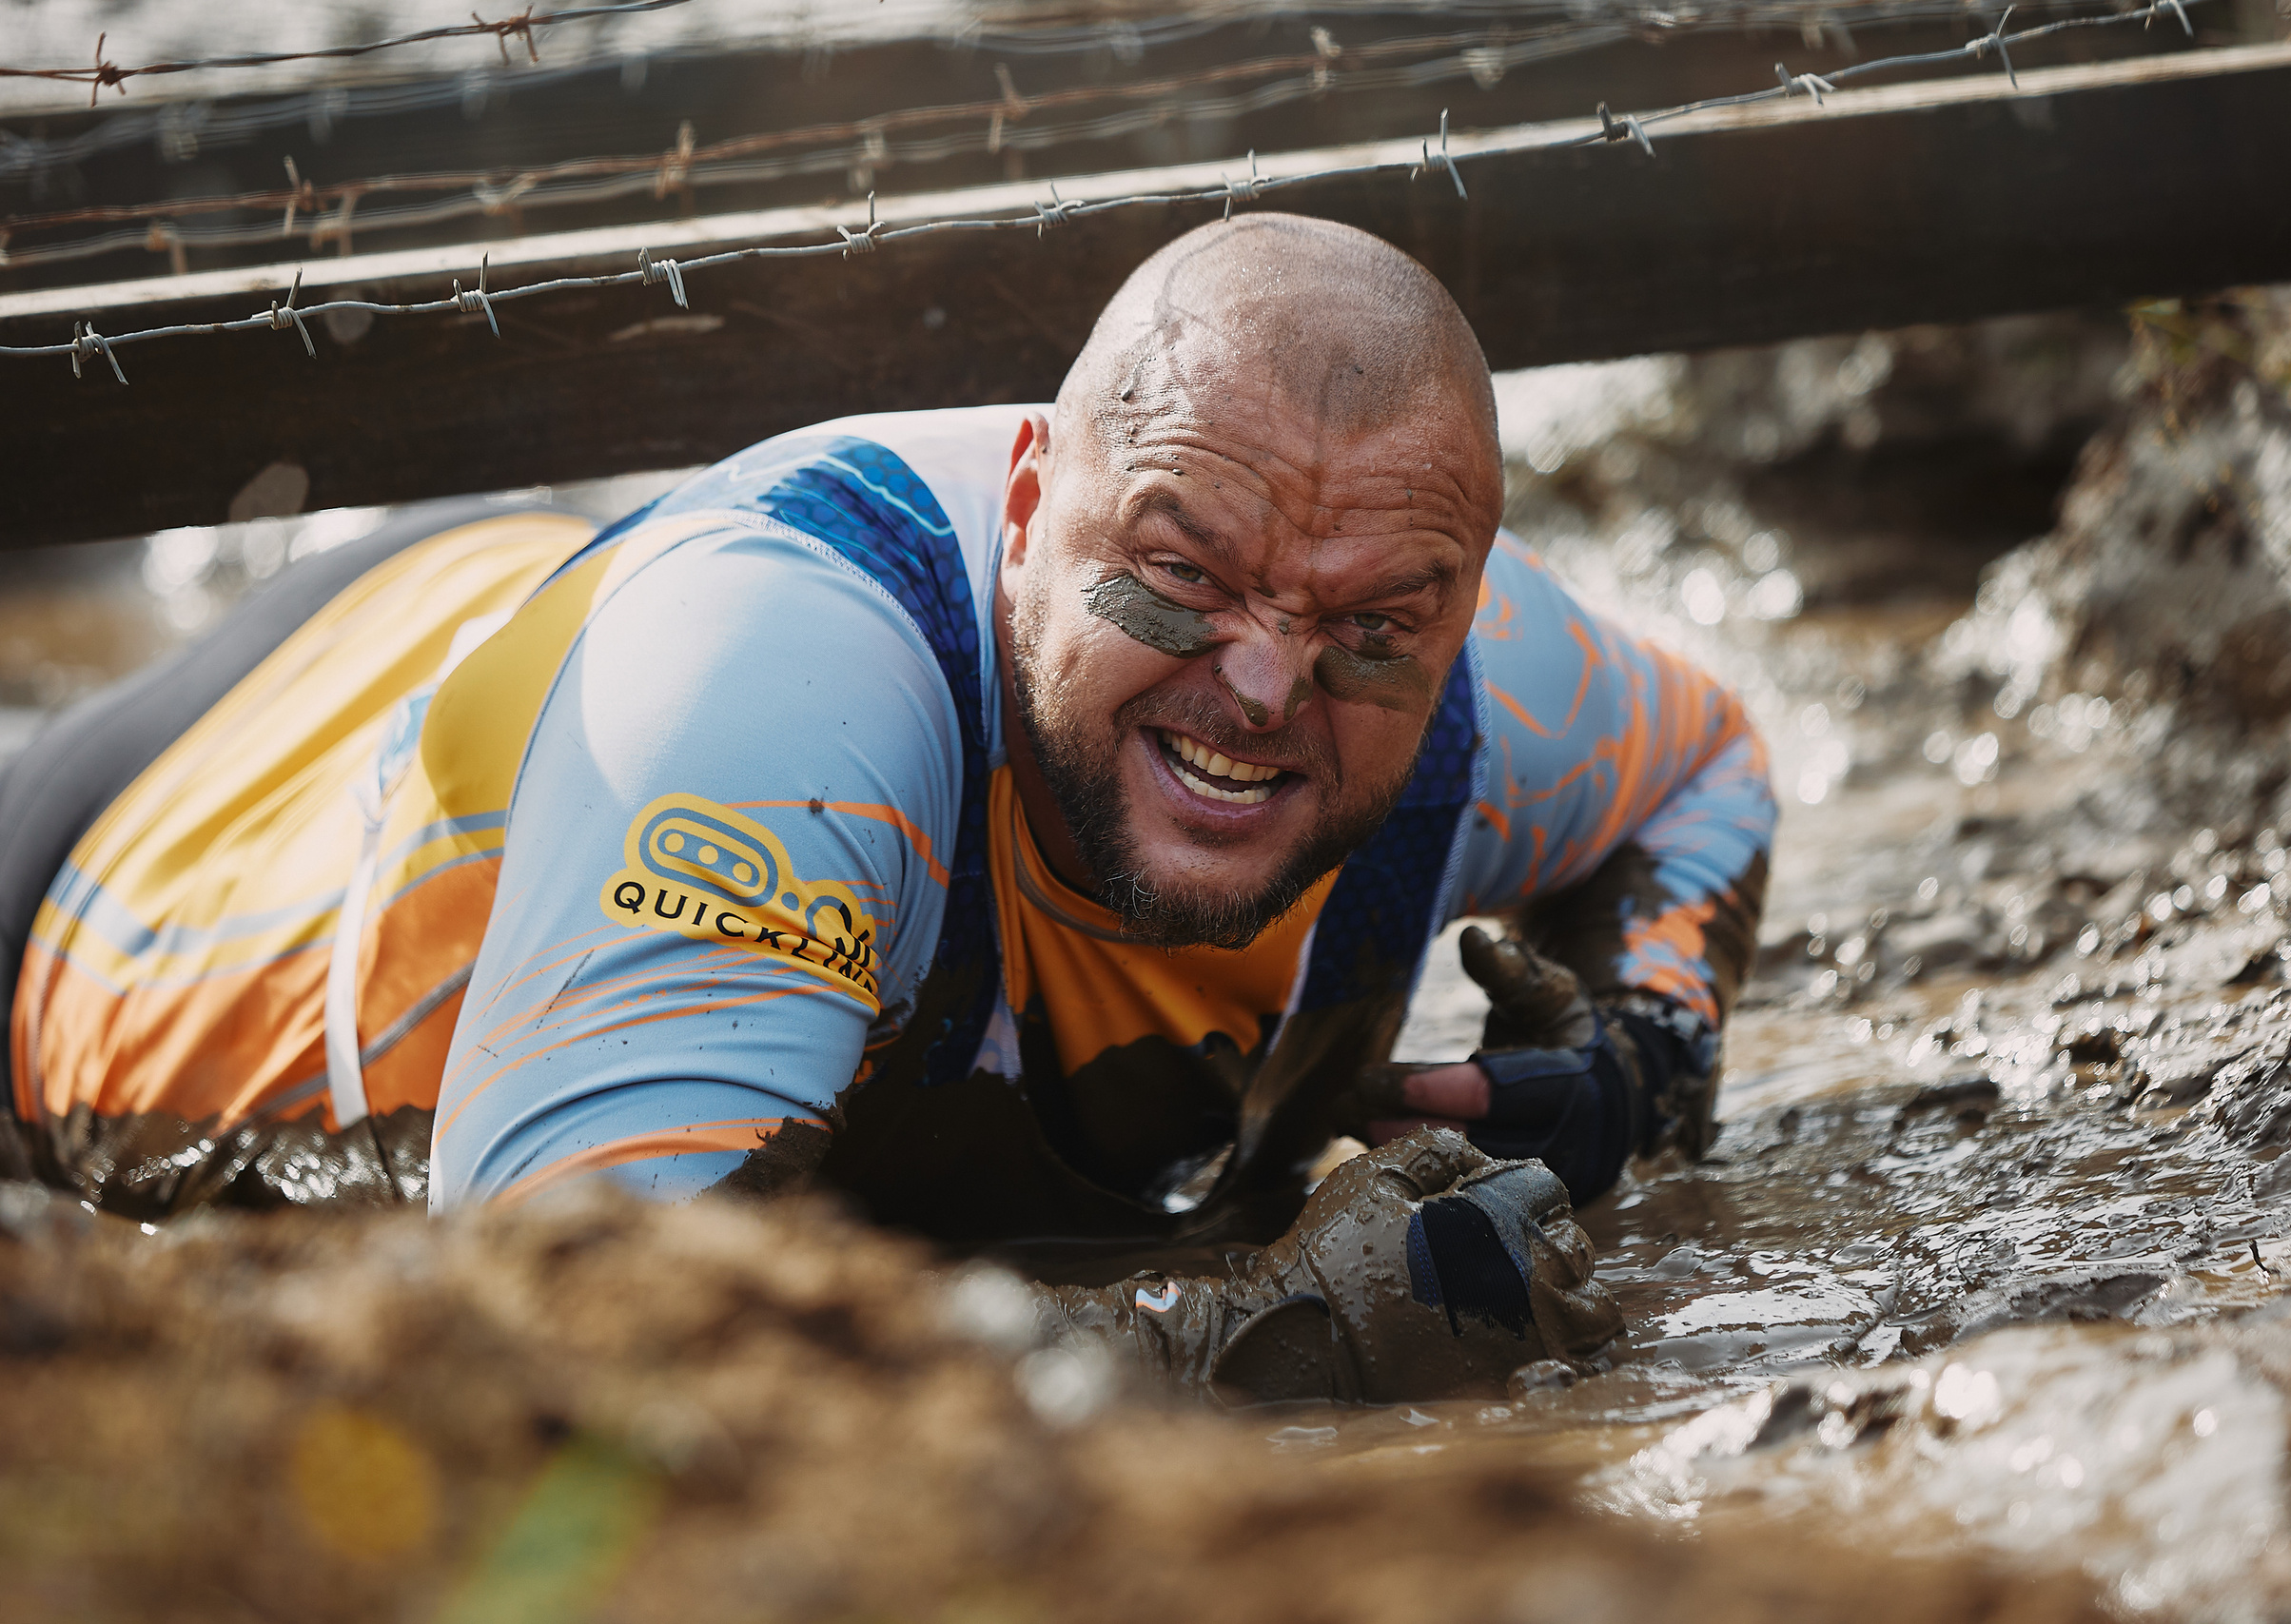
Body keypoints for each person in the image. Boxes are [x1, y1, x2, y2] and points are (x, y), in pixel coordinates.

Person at [0, 216, 1772, 1399]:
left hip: (560, 634)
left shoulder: (1451, 652)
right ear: (1026, 509)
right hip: (156, 855)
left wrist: (1644, 1048)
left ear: (1458, 614)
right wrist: (1270, 1327)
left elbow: (1710, 765)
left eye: (1376, 627)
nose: (1263, 685)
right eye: (1175, 574)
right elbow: (572, 1344)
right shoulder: (780, 713)